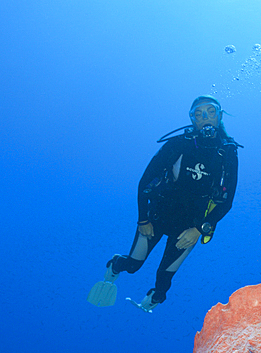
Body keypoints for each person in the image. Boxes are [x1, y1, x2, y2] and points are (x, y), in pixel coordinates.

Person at [88, 96, 239, 311]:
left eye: (211, 112)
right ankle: (115, 265)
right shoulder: (177, 144)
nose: (205, 118)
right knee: (133, 266)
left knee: (164, 280)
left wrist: (199, 229)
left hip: (189, 227)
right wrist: (143, 220)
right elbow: (144, 183)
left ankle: (155, 298)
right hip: (157, 217)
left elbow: (227, 201)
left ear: (220, 115)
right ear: (192, 119)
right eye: (198, 113)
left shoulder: (228, 154)